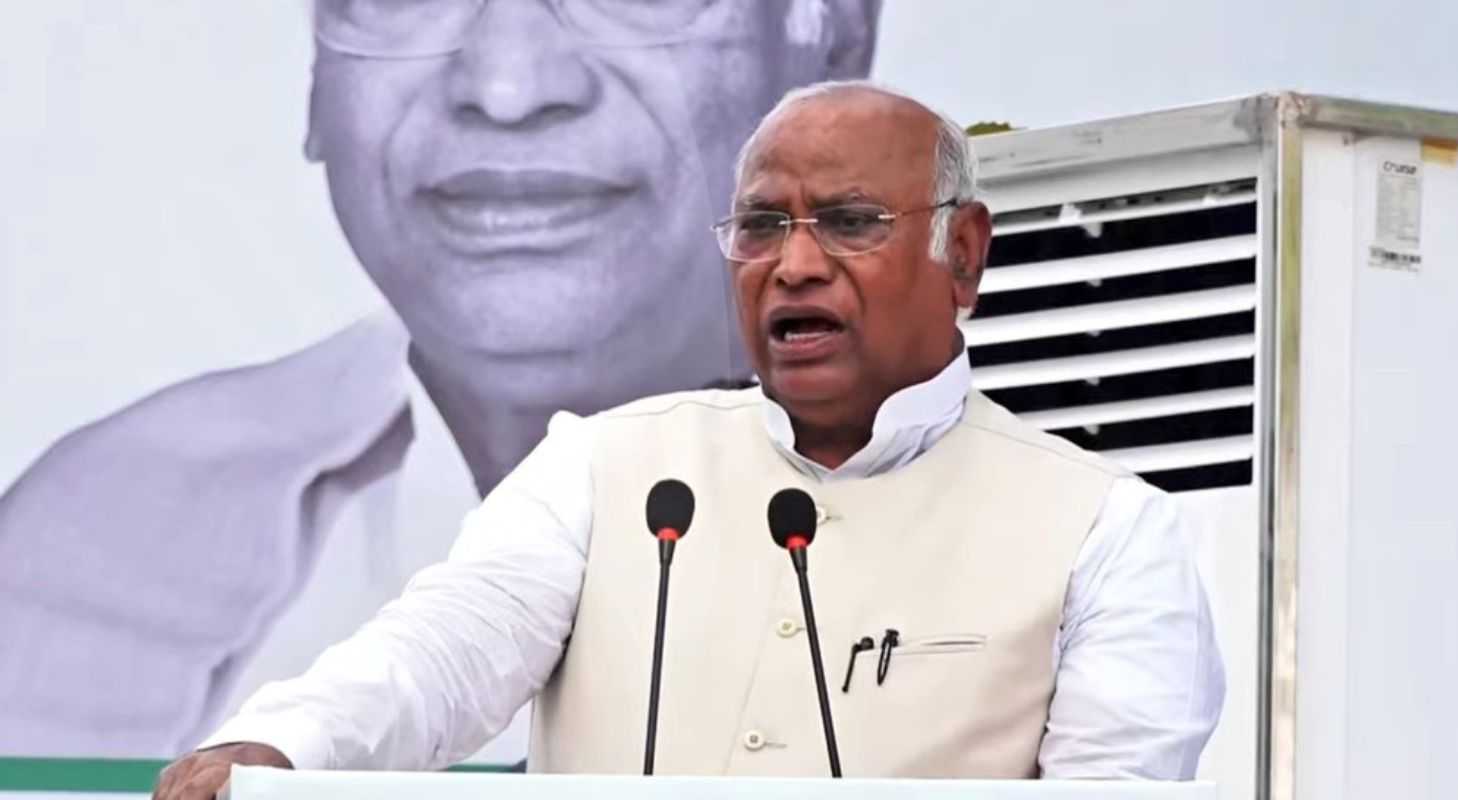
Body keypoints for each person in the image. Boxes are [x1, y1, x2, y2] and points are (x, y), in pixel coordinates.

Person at [152, 81, 1225, 799]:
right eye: (762, 225)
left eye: (849, 222)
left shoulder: (1103, 531)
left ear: (965, 255)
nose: (794, 265)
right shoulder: (605, 467)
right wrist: (280, 748)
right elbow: (436, 656)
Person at [0, 0, 881, 762]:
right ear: (316, 70)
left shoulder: (980, 496)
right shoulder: (83, 550)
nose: (507, 87)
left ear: (831, 40)